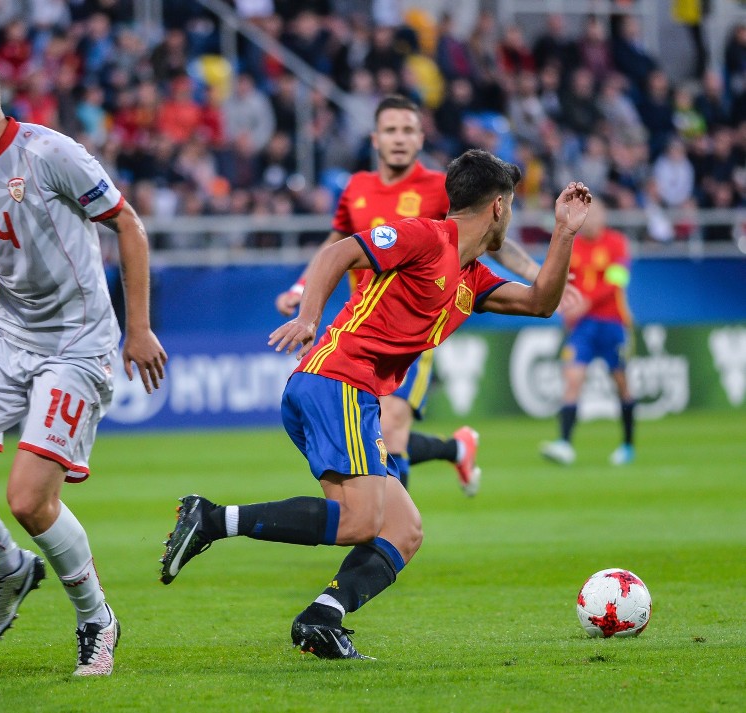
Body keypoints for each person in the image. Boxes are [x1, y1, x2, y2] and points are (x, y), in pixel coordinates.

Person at [160, 149, 592, 659]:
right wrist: (308, 317)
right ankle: (210, 519)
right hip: (336, 379)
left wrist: (565, 232)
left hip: (351, 393)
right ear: (499, 208)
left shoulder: (472, 277)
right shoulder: (426, 237)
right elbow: (337, 253)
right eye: (513, 206)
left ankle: (322, 617)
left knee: (404, 529)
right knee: (361, 521)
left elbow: (542, 302)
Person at [0, 41, 167, 676]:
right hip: (9, 335)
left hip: (77, 343)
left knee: (29, 499)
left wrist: (139, 329)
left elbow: (128, 224)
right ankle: (9, 567)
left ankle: (96, 620)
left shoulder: (49, 153)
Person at [275, 95, 547, 497]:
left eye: (407, 130)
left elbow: (486, 233)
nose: (399, 138)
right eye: (390, 130)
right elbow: (337, 241)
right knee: (381, 430)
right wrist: (301, 289)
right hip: (366, 319)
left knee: (391, 424)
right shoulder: (357, 187)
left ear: (421, 139)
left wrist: (534, 272)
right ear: (375, 139)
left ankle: (385, 530)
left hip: (419, 323)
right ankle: (451, 453)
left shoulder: (441, 187)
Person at [540, 200, 635, 467]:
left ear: (604, 216)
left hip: (612, 322)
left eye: (595, 214)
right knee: (572, 378)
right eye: (587, 215)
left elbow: (617, 281)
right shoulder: (574, 246)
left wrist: (585, 302)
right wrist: (559, 302)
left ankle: (627, 445)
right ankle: (564, 444)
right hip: (581, 326)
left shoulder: (616, 243)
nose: (590, 220)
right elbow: (562, 280)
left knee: (621, 384)